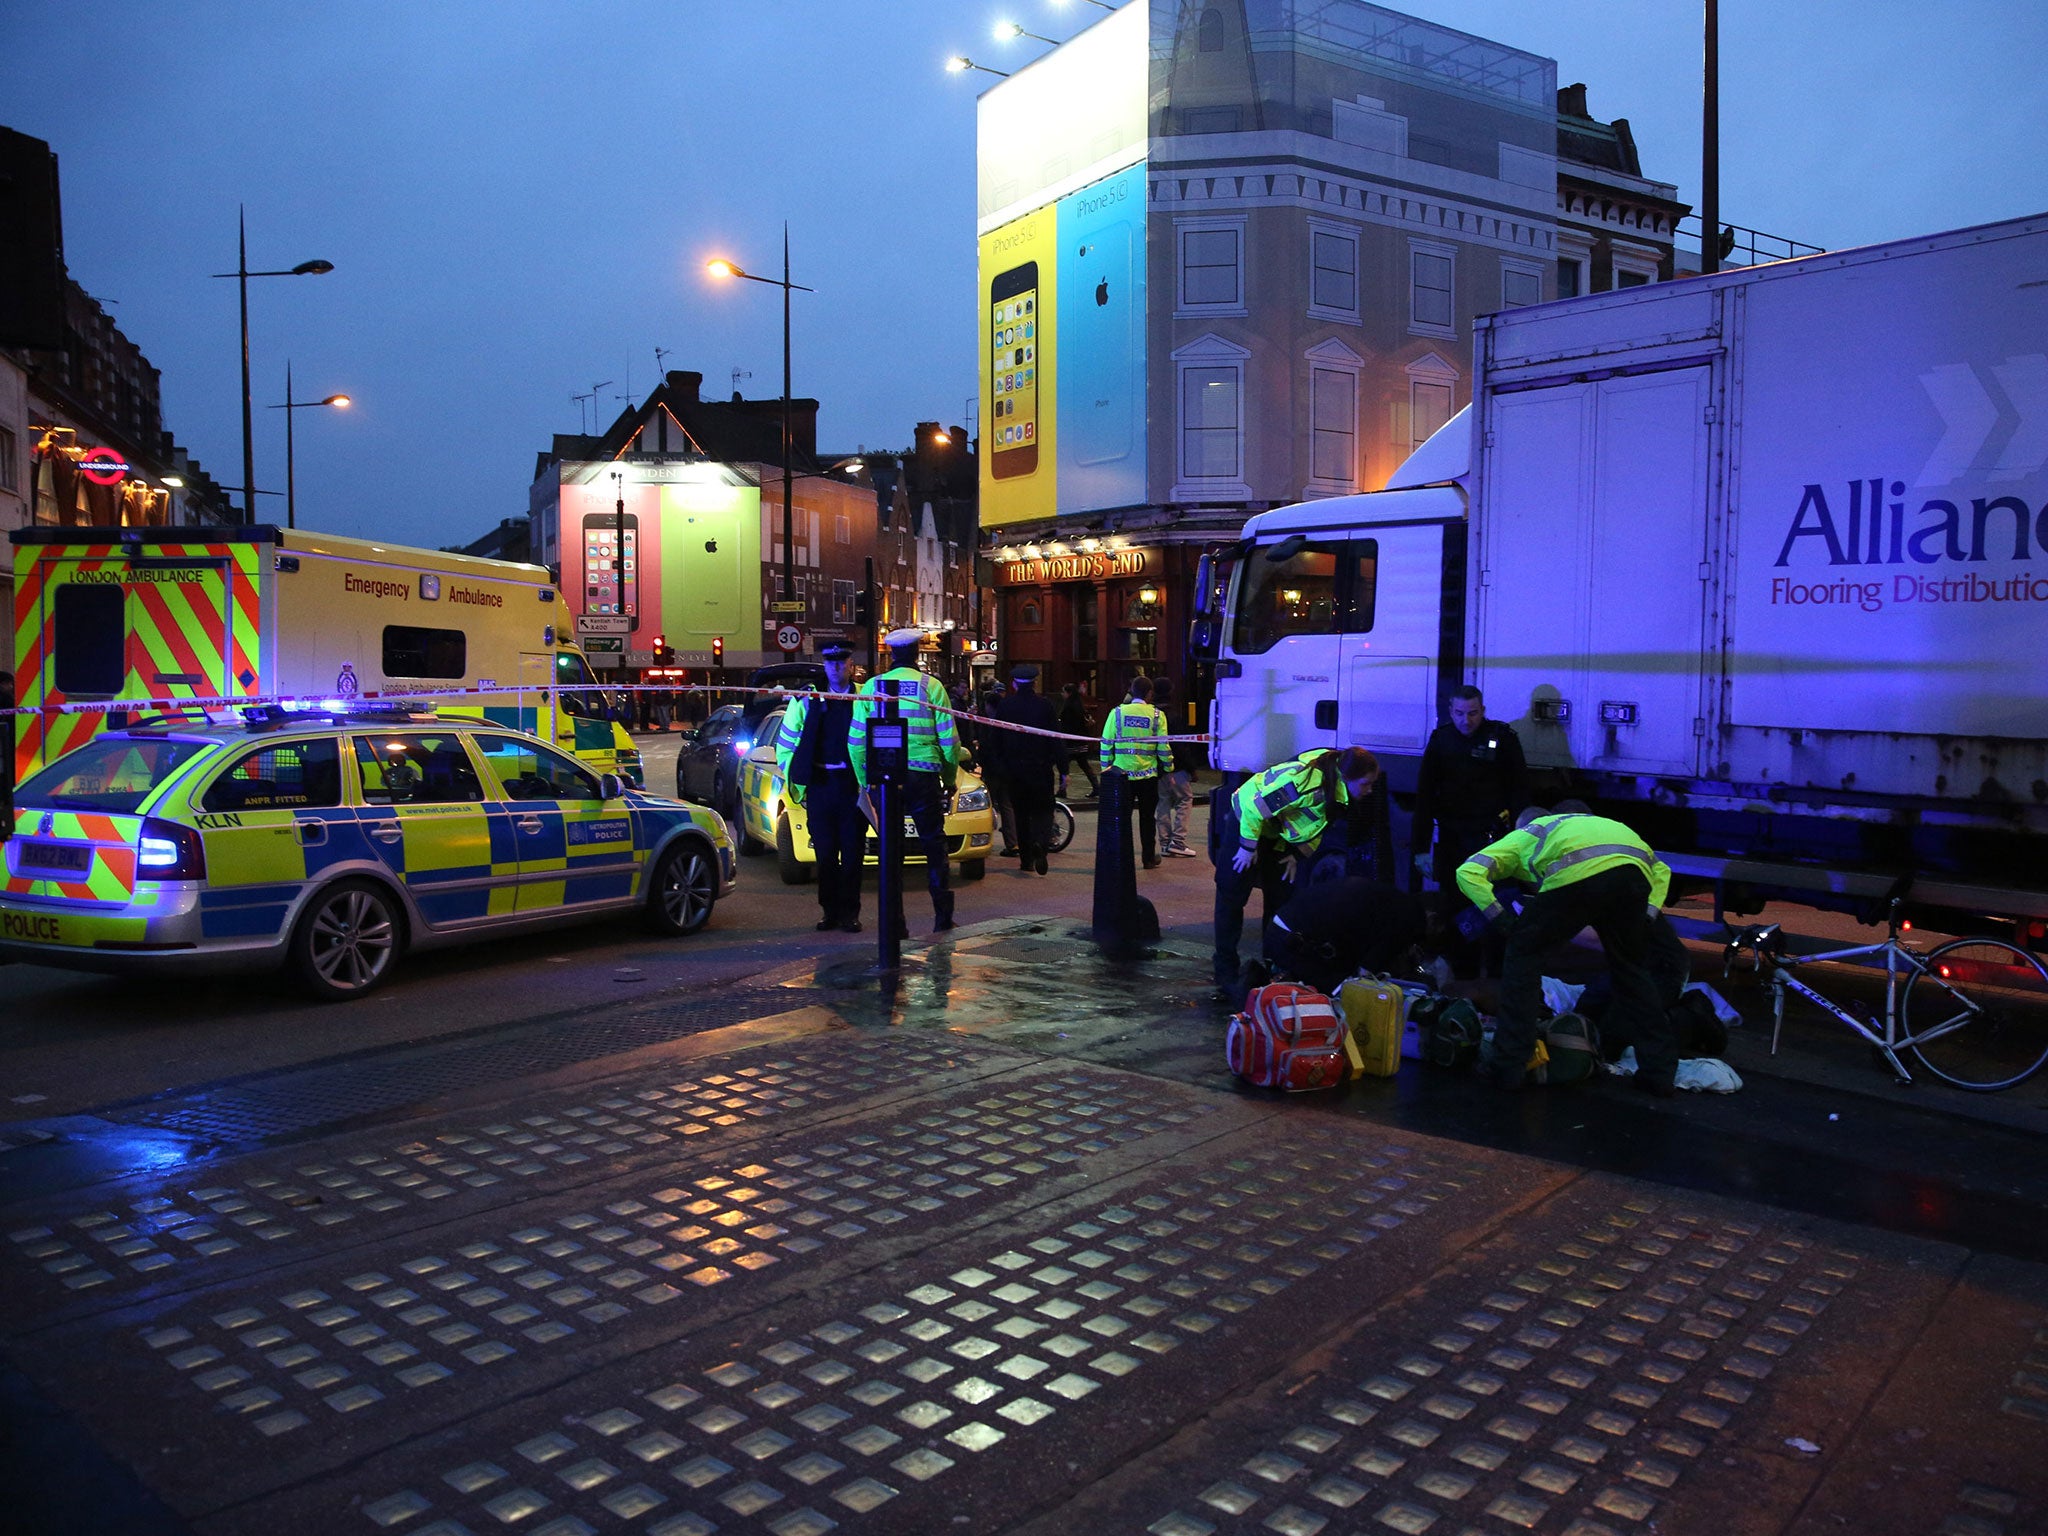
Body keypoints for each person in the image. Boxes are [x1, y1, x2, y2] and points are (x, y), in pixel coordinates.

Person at [1456, 806, 1679, 1095]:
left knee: (1522, 956)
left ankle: (1507, 1067)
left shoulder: (1526, 834)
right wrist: (1646, 916)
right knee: (1632, 972)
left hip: (1577, 875)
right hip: (1632, 876)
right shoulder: (1599, 823)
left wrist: (1502, 920)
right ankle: (1659, 1074)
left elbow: (1468, 872)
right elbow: (1662, 870)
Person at [1213, 746, 1381, 996]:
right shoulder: (1301, 783)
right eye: (1366, 784)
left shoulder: (1339, 791)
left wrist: (1295, 855)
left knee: (1280, 900)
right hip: (1247, 821)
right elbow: (1255, 809)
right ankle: (1225, 973)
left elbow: (1317, 826)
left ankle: (1273, 971)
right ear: (1347, 778)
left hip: (1277, 832)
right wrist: (1247, 847)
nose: (1370, 790)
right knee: (1232, 895)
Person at [1413, 685, 1528, 976]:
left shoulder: (1502, 738)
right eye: (1460, 714)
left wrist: (1522, 842)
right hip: (1453, 839)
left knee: (1499, 906)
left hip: (1494, 841)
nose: (1467, 720)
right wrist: (1420, 850)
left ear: (1483, 711)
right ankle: (1463, 978)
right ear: (1451, 712)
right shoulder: (1441, 740)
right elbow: (1425, 797)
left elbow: (1519, 793)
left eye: (1473, 713)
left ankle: (1499, 976)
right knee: (1457, 910)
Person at [850, 628, 960, 934]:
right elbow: (950, 741)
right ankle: (942, 917)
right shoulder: (931, 687)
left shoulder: (872, 687)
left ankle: (895, 923)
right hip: (924, 776)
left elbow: (856, 742)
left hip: (885, 779)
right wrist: (949, 778)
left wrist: (865, 782)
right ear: (916, 654)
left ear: (892, 654)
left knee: (891, 849)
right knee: (933, 844)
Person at [775, 642, 866, 933]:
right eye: (830, 662)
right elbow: (786, 747)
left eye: (841, 661)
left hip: (852, 787)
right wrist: (797, 783)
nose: (836, 667)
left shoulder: (865, 698)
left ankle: (850, 913)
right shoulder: (805, 699)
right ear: (824, 665)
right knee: (825, 855)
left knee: (853, 855)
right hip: (821, 786)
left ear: (851, 664)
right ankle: (829, 911)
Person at [1268, 877, 1431, 995]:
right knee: (1341, 995)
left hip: (1287, 927)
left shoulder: (1392, 902)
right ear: (1432, 918)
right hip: (1294, 939)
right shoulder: (1404, 921)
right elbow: (1365, 974)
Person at [989, 662, 1060, 874]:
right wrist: (1063, 767)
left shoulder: (1005, 706)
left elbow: (996, 739)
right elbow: (1055, 738)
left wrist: (1000, 766)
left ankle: (1026, 860)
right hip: (1040, 768)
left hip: (1014, 770)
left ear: (1014, 684)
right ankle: (1041, 843)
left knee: (1021, 813)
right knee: (1044, 810)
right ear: (1035, 683)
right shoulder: (1045, 705)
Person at [1100, 676, 1171, 868]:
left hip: (1121, 776)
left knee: (1121, 818)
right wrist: (1168, 767)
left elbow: (1106, 743)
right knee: (1147, 819)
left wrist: (1105, 768)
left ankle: (1120, 859)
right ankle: (1148, 858)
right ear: (1149, 693)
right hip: (1148, 776)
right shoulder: (1157, 715)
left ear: (1132, 691)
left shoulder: (1116, 713)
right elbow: (1163, 747)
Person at [1151, 677, 1201, 858]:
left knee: (1163, 802)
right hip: (1176, 769)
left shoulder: (1151, 714)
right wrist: (1192, 768)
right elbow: (1180, 745)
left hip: (1157, 769)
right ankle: (1178, 842)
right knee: (1185, 798)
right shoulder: (1173, 715)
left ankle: (1165, 843)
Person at [975, 683, 1019, 856]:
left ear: (989, 706)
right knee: (1007, 806)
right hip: (1007, 770)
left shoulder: (987, 725)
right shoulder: (1006, 724)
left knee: (984, 805)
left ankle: (981, 840)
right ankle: (1012, 844)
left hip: (993, 772)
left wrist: (980, 762)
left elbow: (985, 748)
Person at [1057, 683, 1099, 798]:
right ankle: (1096, 786)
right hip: (1081, 742)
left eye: (1063, 692)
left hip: (1070, 742)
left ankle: (1062, 790)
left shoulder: (1068, 707)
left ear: (1068, 693)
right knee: (1085, 765)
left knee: (1063, 766)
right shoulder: (1079, 705)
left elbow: (1065, 725)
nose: (1062, 694)